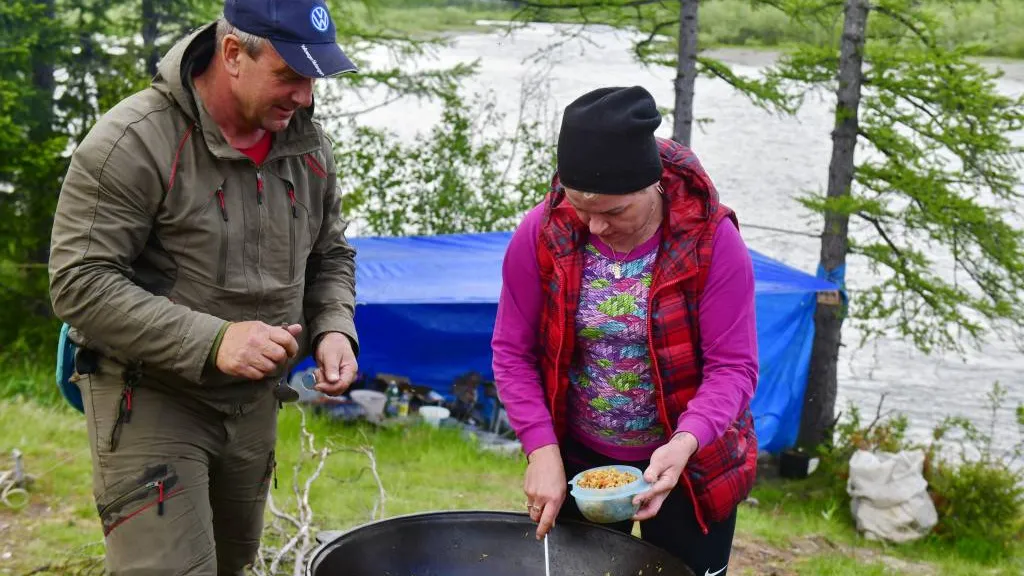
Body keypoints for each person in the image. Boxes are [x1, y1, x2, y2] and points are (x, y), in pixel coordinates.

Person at [47, 0, 360, 573]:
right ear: (234, 54)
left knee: (231, 564)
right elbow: (78, 283)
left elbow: (331, 255)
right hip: (151, 397)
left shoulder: (306, 147)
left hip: (254, 404)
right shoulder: (133, 141)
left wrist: (334, 328)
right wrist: (214, 340)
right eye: (289, 76)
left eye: (314, 79)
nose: (304, 97)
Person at [491, 85, 759, 576]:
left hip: (690, 463)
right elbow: (513, 353)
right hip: (581, 461)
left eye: (614, 212)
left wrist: (683, 444)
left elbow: (733, 369)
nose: (594, 226)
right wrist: (541, 451)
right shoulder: (542, 232)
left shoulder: (712, 241)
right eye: (580, 207)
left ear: (652, 185)